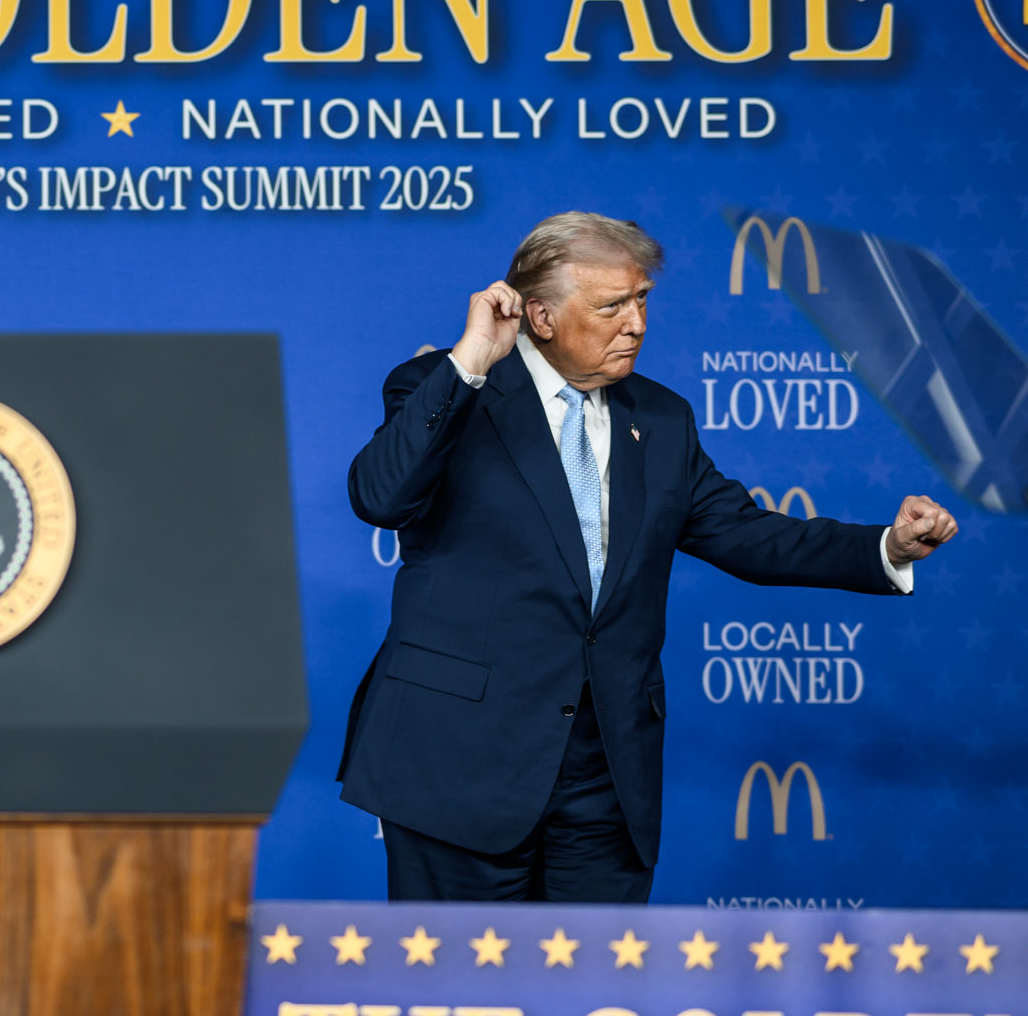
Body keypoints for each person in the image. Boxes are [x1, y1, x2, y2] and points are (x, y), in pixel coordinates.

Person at [339, 210, 958, 903]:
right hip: (458, 765)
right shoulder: (445, 388)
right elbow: (380, 498)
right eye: (611, 306)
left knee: (600, 999)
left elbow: (745, 533)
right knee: (458, 1000)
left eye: (641, 301)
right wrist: (469, 364)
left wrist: (886, 546)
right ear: (540, 317)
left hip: (605, 776)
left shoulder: (661, 418)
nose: (636, 323)